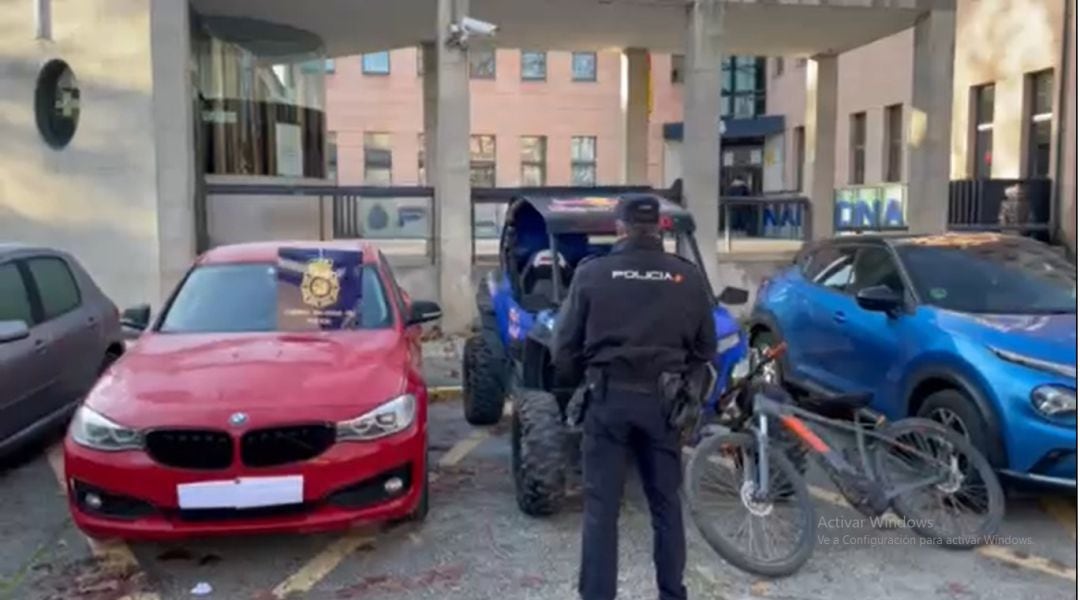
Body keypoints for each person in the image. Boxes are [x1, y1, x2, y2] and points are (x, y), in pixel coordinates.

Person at [553, 195, 718, 600]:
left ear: (619, 229)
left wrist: (580, 383)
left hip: (607, 400)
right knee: (665, 506)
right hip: (663, 406)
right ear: (661, 228)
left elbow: (563, 348)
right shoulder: (688, 277)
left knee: (601, 512)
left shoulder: (593, 274)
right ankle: (671, 593)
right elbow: (706, 349)